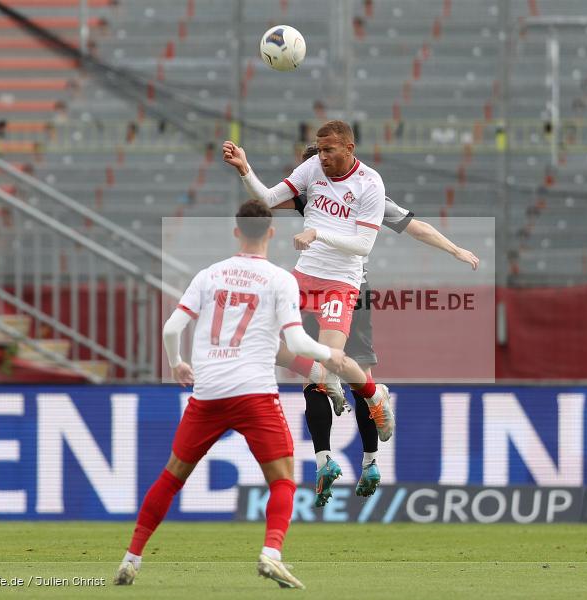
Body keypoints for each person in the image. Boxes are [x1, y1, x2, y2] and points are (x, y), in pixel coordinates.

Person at [114, 199, 359, 589]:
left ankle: (131, 558)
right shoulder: (280, 279)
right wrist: (328, 353)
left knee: (172, 476)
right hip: (254, 393)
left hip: (207, 392)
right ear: (271, 233)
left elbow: (171, 329)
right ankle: (271, 554)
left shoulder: (209, 275)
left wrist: (177, 363)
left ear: (236, 231)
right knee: (282, 480)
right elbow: (295, 339)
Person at [270, 143, 479, 503]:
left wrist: (455, 249)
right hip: (318, 287)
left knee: (334, 377)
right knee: (332, 376)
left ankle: (352, 460)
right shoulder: (310, 195)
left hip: (350, 291)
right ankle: (343, 461)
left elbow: (416, 227)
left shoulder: (367, 193)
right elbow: (271, 201)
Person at [223, 120, 396, 507]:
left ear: (350, 147)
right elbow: (268, 199)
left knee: (333, 362)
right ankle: (328, 449)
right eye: (319, 150)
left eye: (330, 149)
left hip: (344, 283)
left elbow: (364, 245)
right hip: (304, 277)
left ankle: (371, 413)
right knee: (286, 354)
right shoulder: (313, 170)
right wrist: (245, 168)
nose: (323, 156)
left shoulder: (371, 184)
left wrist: (318, 233)